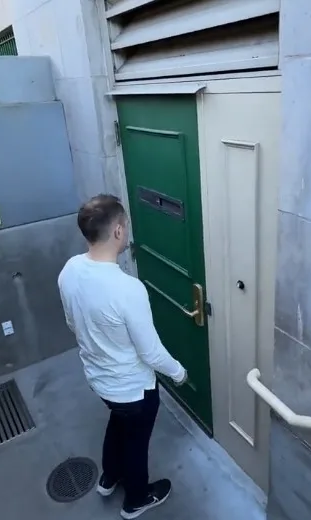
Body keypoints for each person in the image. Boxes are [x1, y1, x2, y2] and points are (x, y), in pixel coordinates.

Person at [57, 194, 188, 519]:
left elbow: (72, 322)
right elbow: (150, 352)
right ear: (117, 230)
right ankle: (136, 501)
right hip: (133, 389)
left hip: (99, 381)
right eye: (126, 225)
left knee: (117, 424)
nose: (126, 231)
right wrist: (179, 372)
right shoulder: (127, 289)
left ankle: (108, 478)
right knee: (135, 443)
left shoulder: (70, 270)